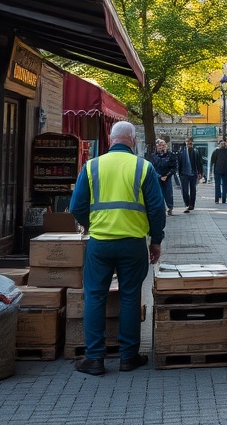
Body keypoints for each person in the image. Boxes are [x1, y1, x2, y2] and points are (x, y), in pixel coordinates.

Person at [69, 120, 165, 375]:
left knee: (95, 296)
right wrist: (156, 240)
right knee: (130, 296)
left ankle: (94, 358)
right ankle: (128, 357)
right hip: (133, 243)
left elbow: (76, 206)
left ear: (111, 140)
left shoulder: (92, 166)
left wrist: (93, 224)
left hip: (100, 244)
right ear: (133, 141)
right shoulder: (143, 167)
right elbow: (156, 208)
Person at [148, 138, 178, 215]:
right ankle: (161, 208)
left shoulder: (170, 155)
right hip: (157, 177)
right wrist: (159, 176)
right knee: (159, 193)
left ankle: (170, 208)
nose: (162, 147)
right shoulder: (153, 156)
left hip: (167, 177)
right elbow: (151, 167)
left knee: (168, 193)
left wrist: (167, 175)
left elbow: (174, 167)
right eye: (160, 145)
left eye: (164, 145)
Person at [175, 137, 204, 213]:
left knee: (193, 190)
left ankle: (191, 205)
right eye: (187, 141)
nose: (188, 143)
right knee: (184, 190)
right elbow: (178, 162)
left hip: (193, 174)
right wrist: (179, 173)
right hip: (184, 174)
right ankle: (187, 204)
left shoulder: (196, 151)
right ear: (185, 142)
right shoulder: (181, 151)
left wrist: (200, 173)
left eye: (190, 142)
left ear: (192, 142)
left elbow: (199, 162)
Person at [210, 139, 227, 204]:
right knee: (224, 185)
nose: (223, 144)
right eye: (222, 143)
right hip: (224, 170)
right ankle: (222, 199)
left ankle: (218, 199)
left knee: (218, 185)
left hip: (219, 170)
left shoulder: (217, 151)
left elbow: (213, 161)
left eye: (224, 143)